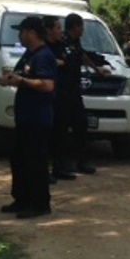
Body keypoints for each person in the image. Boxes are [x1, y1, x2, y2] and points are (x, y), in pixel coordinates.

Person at [0, 15, 57, 219]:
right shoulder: (28, 55)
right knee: (19, 159)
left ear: (31, 33)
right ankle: (21, 199)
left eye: (21, 32)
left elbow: (48, 85)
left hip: (38, 118)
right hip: (25, 117)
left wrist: (22, 81)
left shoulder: (44, 56)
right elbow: (20, 75)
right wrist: (9, 79)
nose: (19, 36)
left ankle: (39, 203)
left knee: (36, 162)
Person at [60, 12, 108, 175]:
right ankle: (62, 165)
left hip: (74, 91)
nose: (83, 29)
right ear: (75, 27)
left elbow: (82, 56)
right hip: (63, 92)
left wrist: (96, 69)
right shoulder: (62, 42)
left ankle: (82, 162)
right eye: (81, 26)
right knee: (62, 130)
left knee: (81, 126)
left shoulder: (75, 42)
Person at [43, 16, 78, 181]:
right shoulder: (43, 48)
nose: (60, 31)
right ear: (49, 30)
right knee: (46, 135)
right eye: (57, 28)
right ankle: (44, 170)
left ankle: (59, 167)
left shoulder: (62, 45)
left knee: (61, 133)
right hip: (49, 97)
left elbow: (69, 62)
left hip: (64, 95)